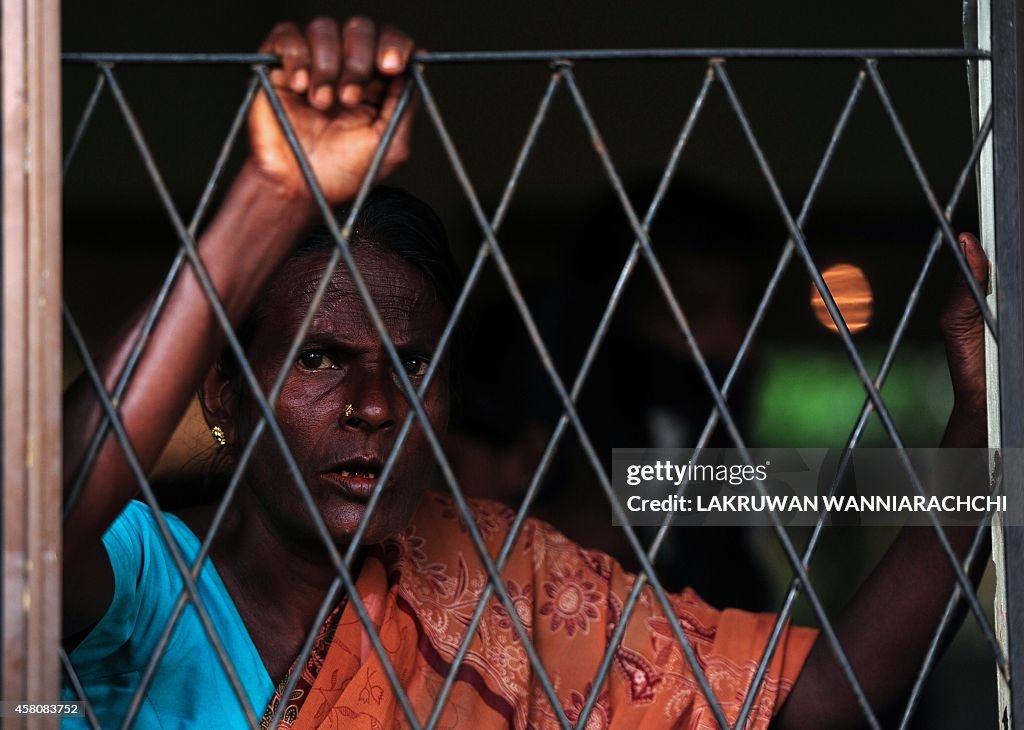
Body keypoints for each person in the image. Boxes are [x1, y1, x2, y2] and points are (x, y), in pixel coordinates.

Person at [62, 16, 992, 730]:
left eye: (416, 366)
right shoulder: (146, 576)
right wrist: (273, 193)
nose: (378, 406)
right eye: (319, 358)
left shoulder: (528, 573)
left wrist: (983, 428)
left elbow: (811, 686)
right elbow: (33, 527)